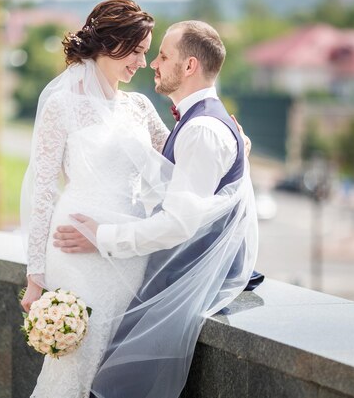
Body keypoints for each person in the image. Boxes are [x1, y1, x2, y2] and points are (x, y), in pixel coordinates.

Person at [52, 21, 261, 398]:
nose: (153, 64)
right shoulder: (205, 124)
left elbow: (179, 224)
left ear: (190, 66)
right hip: (169, 269)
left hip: (184, 277)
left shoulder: (202, 131)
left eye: (163, 55)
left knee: (113, 386)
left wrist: (102, 236)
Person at [18, 0, 164, 398]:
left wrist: (230, 140)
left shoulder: (139, 107)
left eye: (146, 52)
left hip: (129, 251)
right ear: (110, 43)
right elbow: (44, 191)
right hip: (76, 253)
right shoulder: (62, 106)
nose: (141, 61)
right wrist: (35, 276)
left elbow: (178, 158)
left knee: (113, 369)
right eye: (135, 51)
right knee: (75, 365)